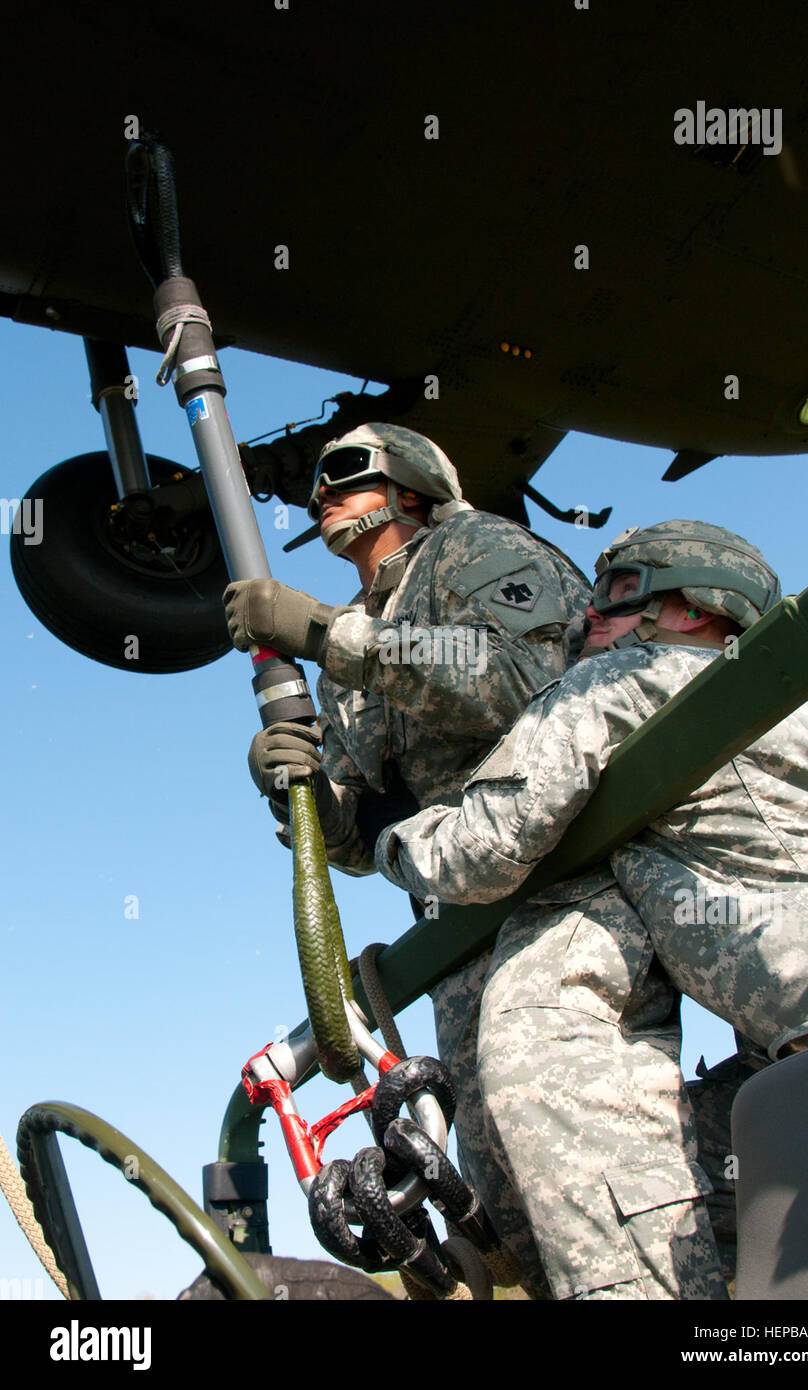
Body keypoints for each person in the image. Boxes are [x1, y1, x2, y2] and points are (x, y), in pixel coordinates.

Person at [373, 520, 808, 1300]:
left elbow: (480, 849)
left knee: (570, 1136)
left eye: (618, 594)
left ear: (699, 608)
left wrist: (386, 838)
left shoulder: (624, 679)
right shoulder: (807, 724)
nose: (585, 618)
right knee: (686, 1149)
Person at [223, 422, 592, 1297]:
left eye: (346, 473)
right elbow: (359, 838)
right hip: (458, 931)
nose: (322, 495)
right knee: (499, 1184)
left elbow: (525, 675)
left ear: (412, 486)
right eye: (315, 485)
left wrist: (320, 635)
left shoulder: (474, 549)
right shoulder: (351, 633)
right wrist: (298, 793)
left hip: (569, 887)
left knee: (569, 1140)